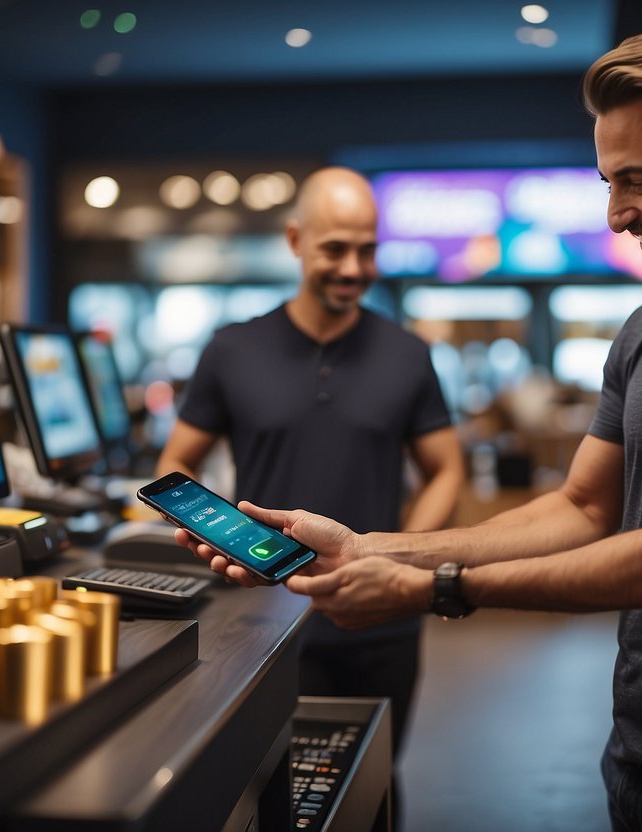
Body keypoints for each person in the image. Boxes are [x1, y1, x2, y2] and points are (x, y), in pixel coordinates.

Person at [177, 19, 642, 832]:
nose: (615, 214)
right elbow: (582, 509)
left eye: (637, 179)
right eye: (607, 181)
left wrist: (433, 588)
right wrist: (367, 548)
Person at [156, 165, 465, 819]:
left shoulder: (408, 355)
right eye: (334, 248)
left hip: (379, 619)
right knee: (271, 796)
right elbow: (177, 465)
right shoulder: (231, 349)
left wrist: (399, 555)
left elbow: (446, 469)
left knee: (374, 782)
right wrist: (222, 538)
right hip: (261, 620)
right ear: (296, 240)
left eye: (367, 250)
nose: (352, 267)